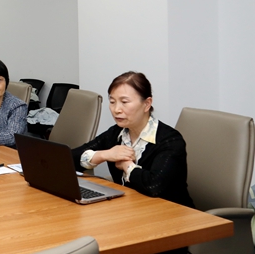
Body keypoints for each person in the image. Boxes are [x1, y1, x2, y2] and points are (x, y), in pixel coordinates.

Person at [71, 71, 193, 207]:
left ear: (147, 104)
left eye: (124, 102)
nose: (116, 109)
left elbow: (154, 186)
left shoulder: (170, 140)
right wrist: (104, 155)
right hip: (132, 207)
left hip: (171, 211)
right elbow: (69, 159)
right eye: (112, 102)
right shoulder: (116, 133)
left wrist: (127, 165)